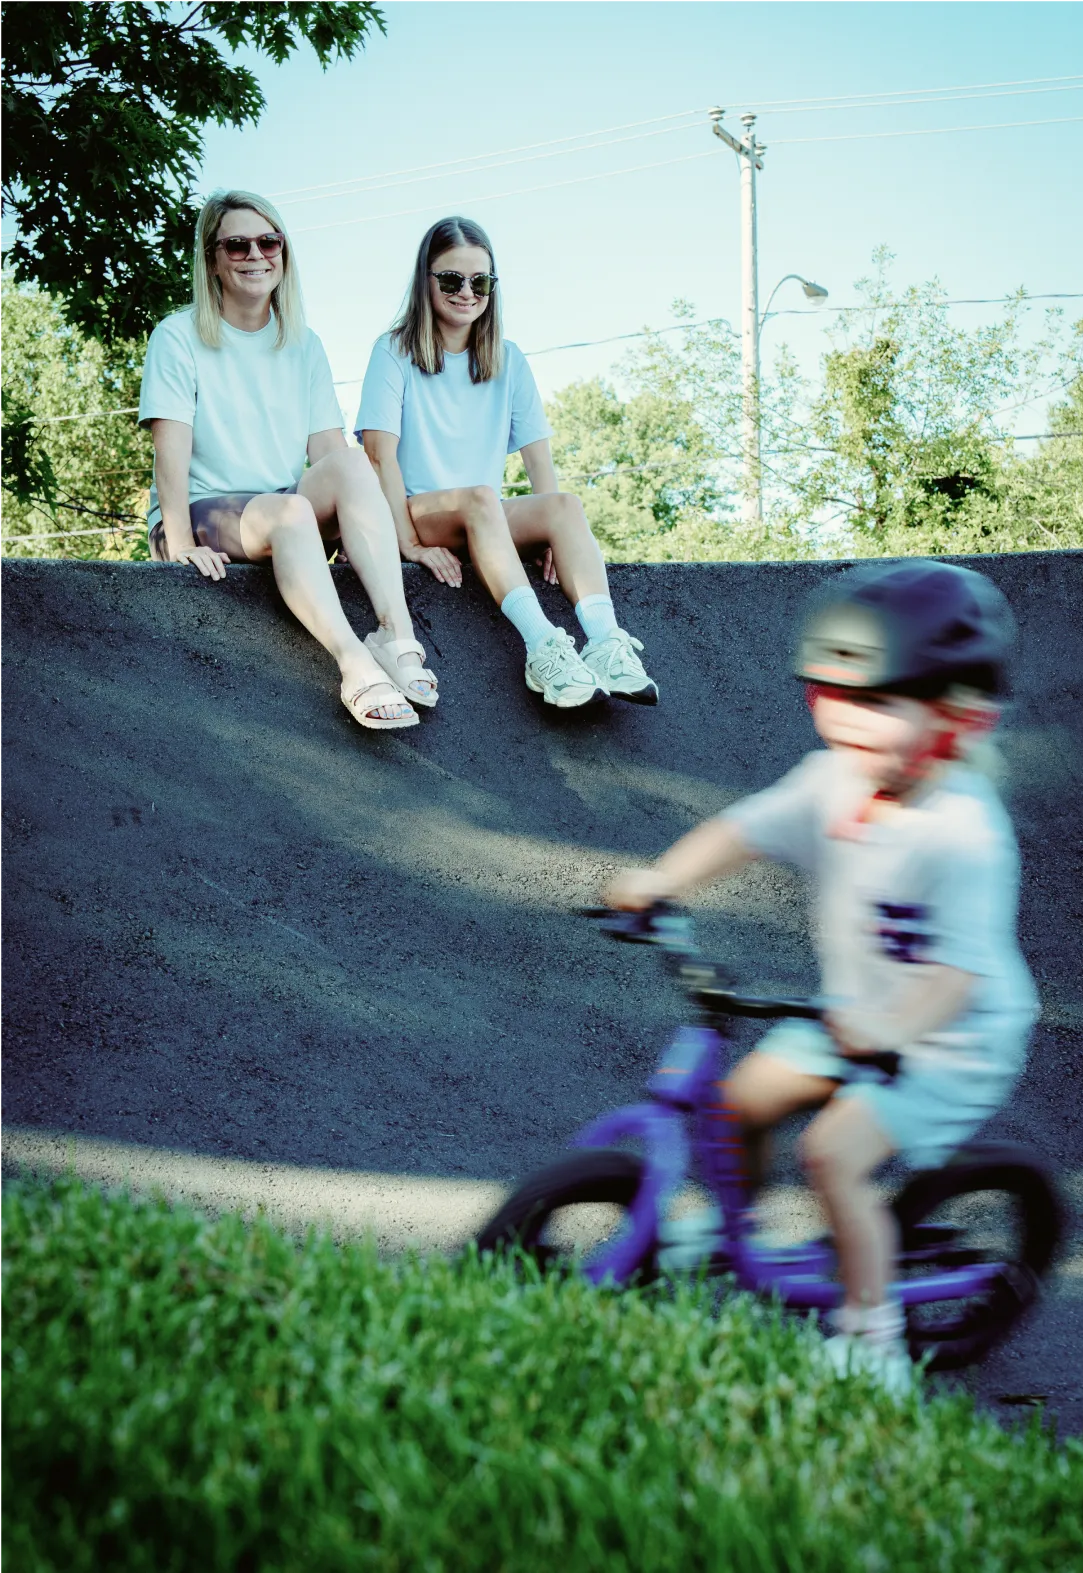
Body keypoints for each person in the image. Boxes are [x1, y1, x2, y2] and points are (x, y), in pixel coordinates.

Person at [605, 560, 1038, 1391]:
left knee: (831, 1153)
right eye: (832, 696)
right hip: (853, 1016)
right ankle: (739, 1225)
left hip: (951, 1042)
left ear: (955, 715)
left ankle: (871, 1341)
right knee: (735, 1104)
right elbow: (741, 831)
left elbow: (958, 974)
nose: (847, 720)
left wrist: (888, 1029)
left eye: (878, 701)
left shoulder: (963, 834)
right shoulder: (831, 782)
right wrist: (662, 880)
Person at [139, 188, 438, 731]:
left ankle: (395, 636)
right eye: (237, 245)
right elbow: (170, 452)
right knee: (292, 510)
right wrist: (178, 542)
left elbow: (328, 455)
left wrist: (361, 533)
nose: (256, 255)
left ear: (283, 252)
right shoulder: (177, 336)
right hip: (202, 513)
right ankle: (354, 662)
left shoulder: (303, 343)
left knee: (353, 464)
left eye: (269, 241)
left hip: (281, 512)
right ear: (212, 259)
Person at [356, 216, 658, 710]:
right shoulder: (393, 351)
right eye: (451, 280)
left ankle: (606, 644)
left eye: (480, 282)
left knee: (564, 506)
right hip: (415, 513)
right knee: (482, 497)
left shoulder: (509, 359)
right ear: (425, 281)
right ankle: (543, 647)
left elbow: (540, 462)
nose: (466, 292)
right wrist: (407, 544)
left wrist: (553, 538)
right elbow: (378, 456)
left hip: (485, 519)